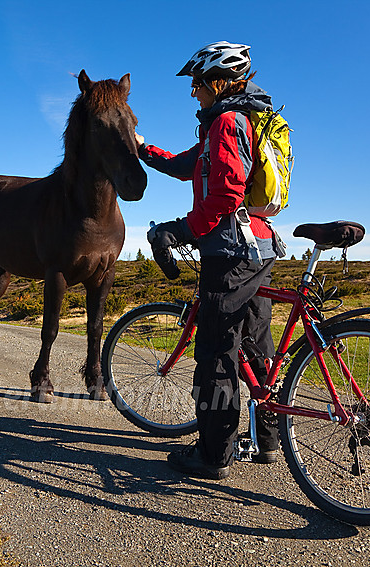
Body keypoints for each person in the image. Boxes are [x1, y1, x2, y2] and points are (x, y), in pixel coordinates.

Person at [136, 42, 286, 480]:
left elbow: (224, 194)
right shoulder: (239, 122)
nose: (193, 92)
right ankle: (269, 439)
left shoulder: (226, 121)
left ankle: (213, 454)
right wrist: (146, 151)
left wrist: (179, 230)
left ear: (218, 83)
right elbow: (189, 166)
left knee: (217, 354)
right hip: (259, 249)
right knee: (257, 347)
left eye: (197, 83)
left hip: (230, 253)